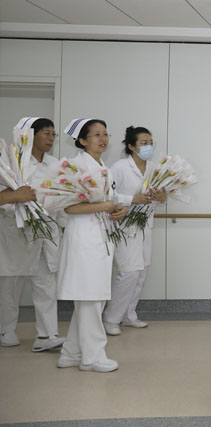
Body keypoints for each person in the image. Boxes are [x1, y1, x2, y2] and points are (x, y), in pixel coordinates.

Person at [57, 118, 128, 373]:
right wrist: (105, 206)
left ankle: (71, 353)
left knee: (91, 299)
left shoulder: (103, 167)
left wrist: (116, 210)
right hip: (84, 239)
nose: (103, 138)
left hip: (100, 236)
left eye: (105, 134)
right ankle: (92, 357)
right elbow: (68, 207)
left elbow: (108, 201)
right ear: (82, 140)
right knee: (90, 299)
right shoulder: (75, 167)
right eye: (96, 134)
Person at [0, 118, 65, 352]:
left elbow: (61, 196)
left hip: (45, 230)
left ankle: (46, 335)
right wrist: (18, 200)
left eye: (53, 134)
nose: (51, 138)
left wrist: (63, 225)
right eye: (46, 133)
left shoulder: (55, 164)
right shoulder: (11, 161)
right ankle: (6, 329)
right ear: (30, 135)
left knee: (45, 283)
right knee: (11, 284)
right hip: (17, 230)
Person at [102, 126, 167, 336]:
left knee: (141, 273)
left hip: (145, 226)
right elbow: (107, 195)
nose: (149, 147)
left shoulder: (154, 168)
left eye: (151, 143)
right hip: (124, 226)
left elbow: (161, 195)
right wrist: (132, 199)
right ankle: (111, 318)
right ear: (131, 146)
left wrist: (162, 197)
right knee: (128, 273)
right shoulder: (120, 167)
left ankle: (129, 315)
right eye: (143, 143)